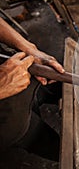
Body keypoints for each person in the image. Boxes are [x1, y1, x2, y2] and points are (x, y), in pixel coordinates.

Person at [0, 16, 64, 160]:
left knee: (56, 84)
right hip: (5, 117)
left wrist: (28, 48)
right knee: (43, 140)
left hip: (16, 68)